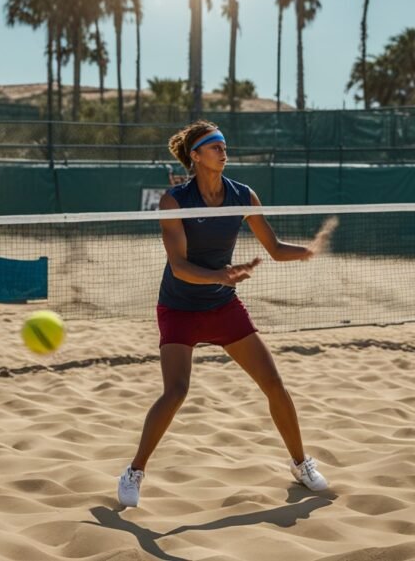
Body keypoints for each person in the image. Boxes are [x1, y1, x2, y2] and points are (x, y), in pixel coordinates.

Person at [117, 121, 329, 509]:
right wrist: (222, 275)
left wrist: (308, 250)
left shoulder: (243, 195)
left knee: (274, 385)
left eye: (224, 145)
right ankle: (135, 471)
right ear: (195, 156)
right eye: (213, 145)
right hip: (179, 306)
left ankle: (301, 464)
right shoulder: (174, 201)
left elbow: (276, 248)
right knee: (176, 391)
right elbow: (179, 266)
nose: (222, 150)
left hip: (221, 305)